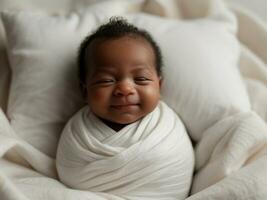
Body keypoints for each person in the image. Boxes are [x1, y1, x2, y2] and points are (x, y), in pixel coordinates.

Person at [56, 17, 194, 200]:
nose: (125, 89)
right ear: (84, 91)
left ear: (159, 86)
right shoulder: (76, 136)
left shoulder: (168, 132)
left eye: (141, 79)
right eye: (106, 80)